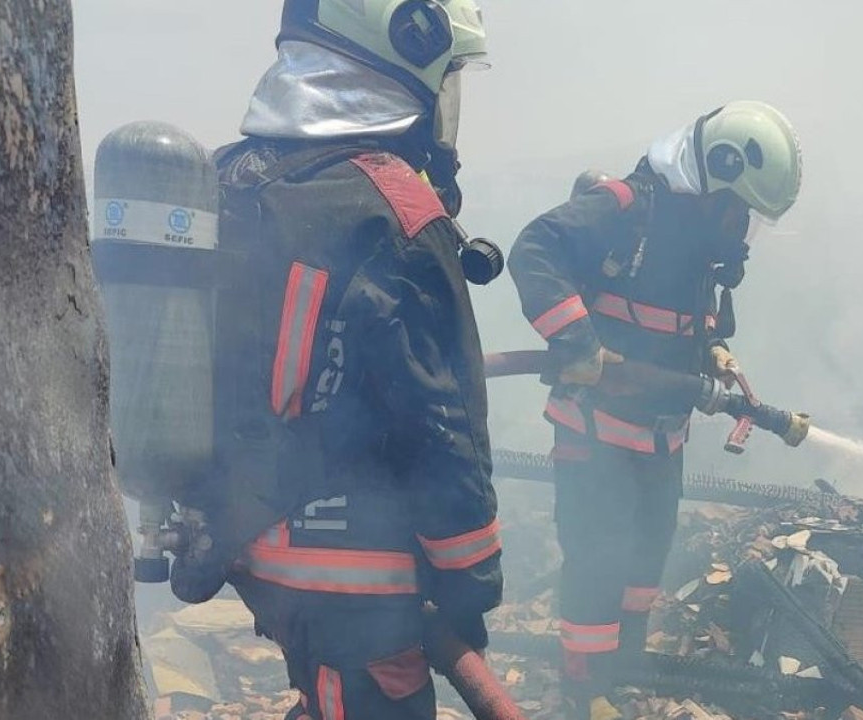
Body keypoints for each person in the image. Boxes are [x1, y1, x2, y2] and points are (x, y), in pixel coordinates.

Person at [170, 2, 503, 718]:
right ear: (404, 57)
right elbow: (441, 425)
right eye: (447, 82)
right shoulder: (398, 215)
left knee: (324, 697)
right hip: (356, 578)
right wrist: (471, 580)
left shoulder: (223, 178)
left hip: (242, 541)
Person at [508, 101, 811, 720]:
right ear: (716, 182)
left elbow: (680, 319)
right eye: (742, 212)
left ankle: (622, 669)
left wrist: (714, 351)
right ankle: (583, 687)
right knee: (599, 552)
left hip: (662, 434)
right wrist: (577, 342)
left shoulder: (697, 242)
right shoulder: (626, 208)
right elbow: (535, 248)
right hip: (595, 428)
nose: (743, 230)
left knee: (648, 552)